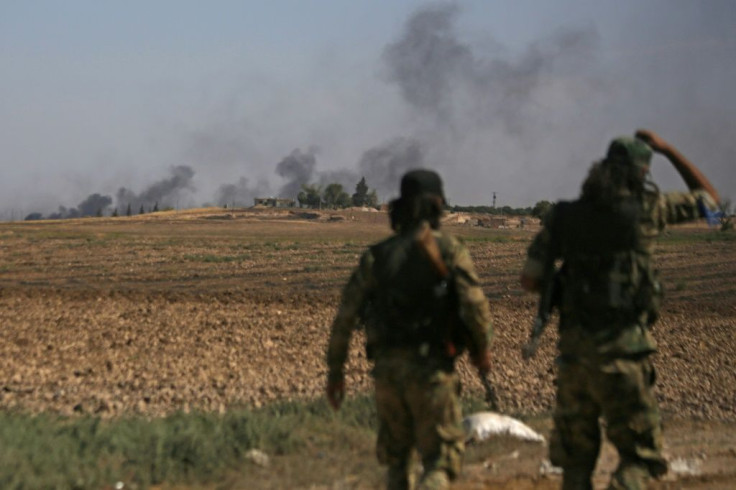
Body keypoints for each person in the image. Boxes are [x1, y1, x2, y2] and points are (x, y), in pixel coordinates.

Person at [520, 129, 720, 490]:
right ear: (642, 175)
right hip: (625, 355)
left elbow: (531, 280)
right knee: (638, 461)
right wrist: (669, 149)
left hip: (574, 358)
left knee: (576, 466)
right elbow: (711, 203)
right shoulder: (649, 211)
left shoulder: (565, 216)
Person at [326, 169, 493, 490]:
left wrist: (335, 372)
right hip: (431, 373)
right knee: (440, 463)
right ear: (435, 206)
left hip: (387, 375)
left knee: (397, 466)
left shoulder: (378, 256)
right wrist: (482, 350)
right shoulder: (449, 249)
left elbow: (345, 318)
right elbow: (475, 307)